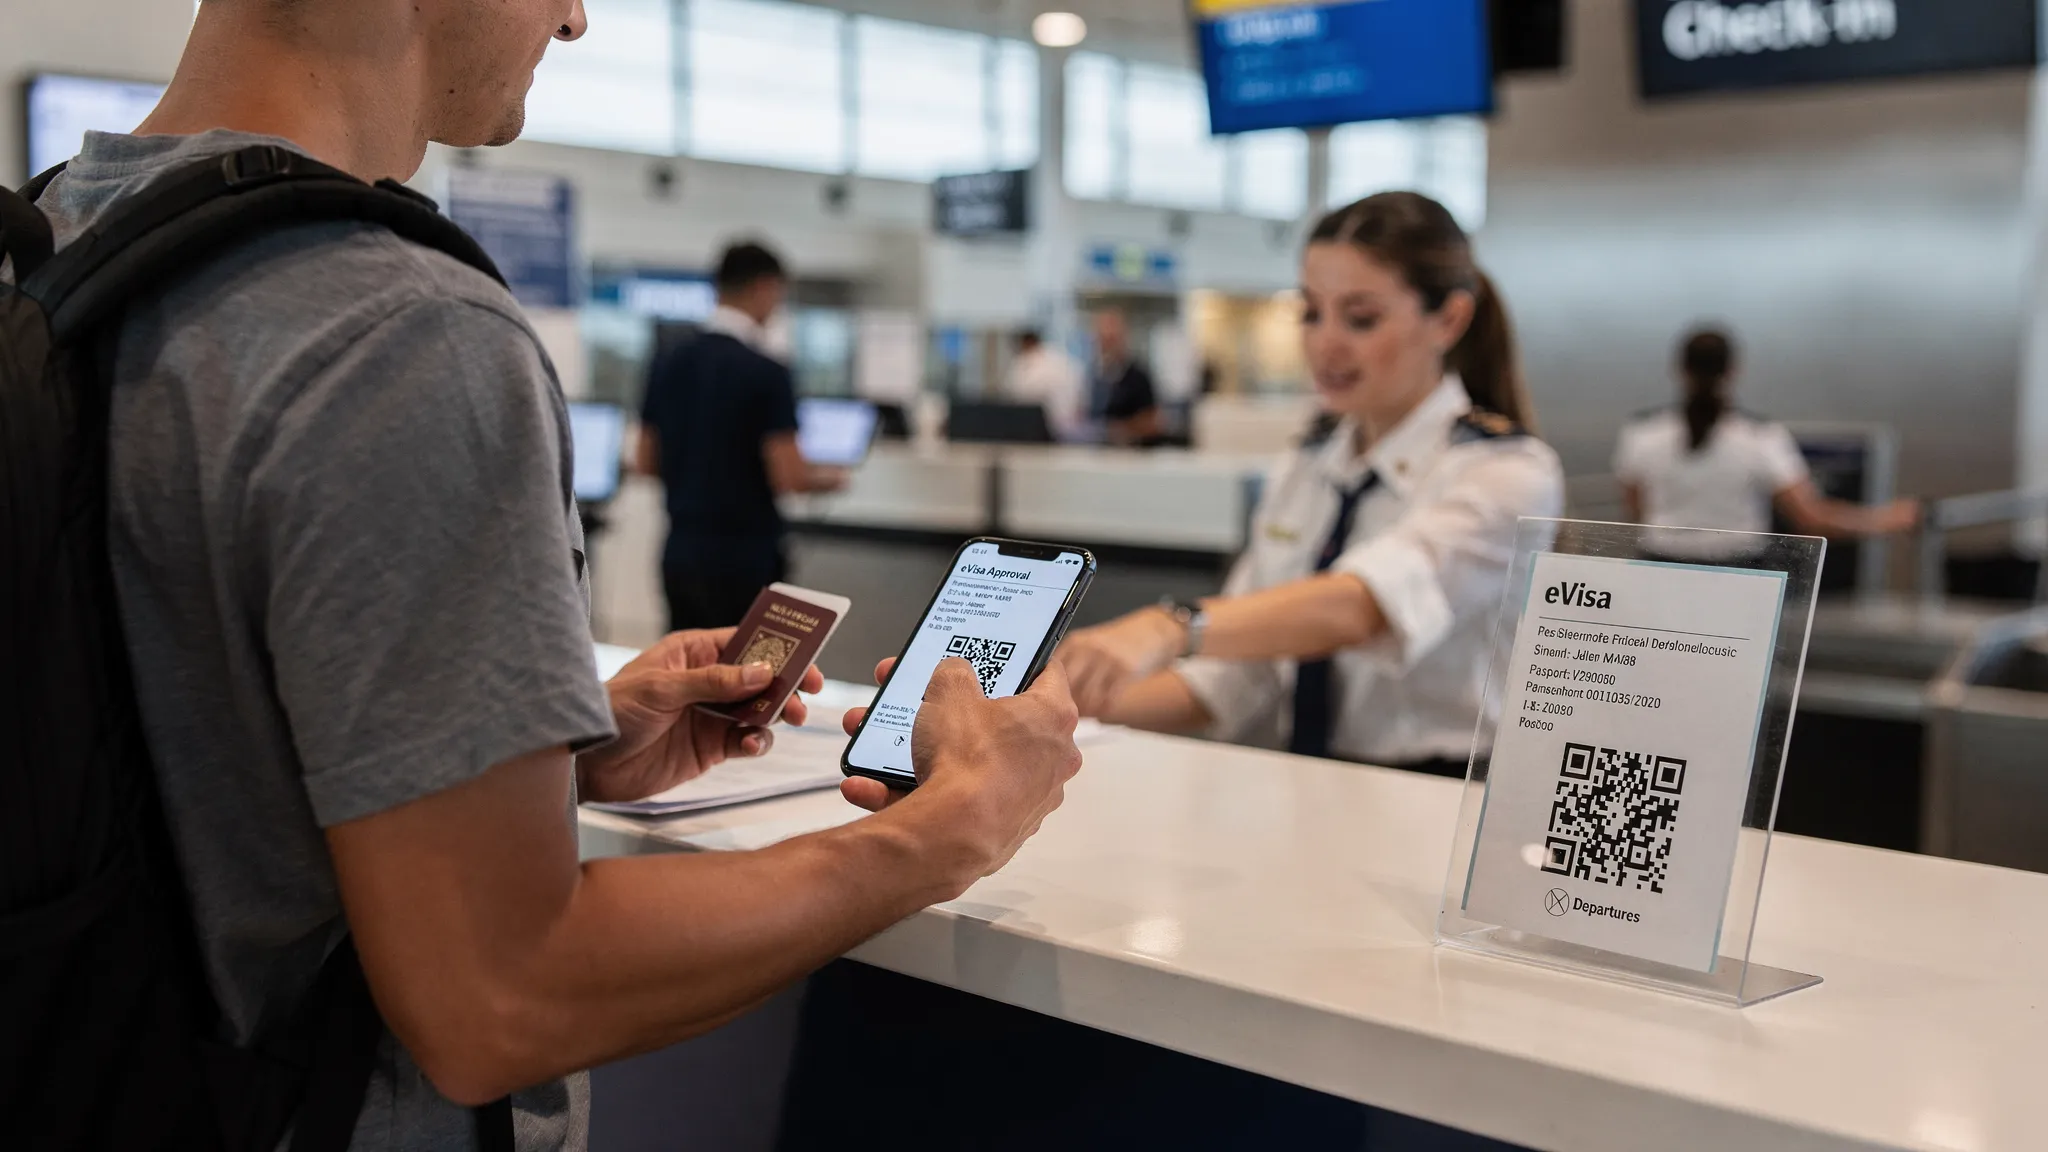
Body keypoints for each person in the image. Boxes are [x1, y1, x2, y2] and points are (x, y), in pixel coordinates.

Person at [15, 1, 1082, 1147]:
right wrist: (946, 830)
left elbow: (154, 741)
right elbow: (501, 994)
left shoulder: (49, 244)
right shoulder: (397, 329)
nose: (574, 19)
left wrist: (538, 765)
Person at [1058, 192, 1564, 775]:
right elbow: (1236, 670)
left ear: (1447, 320)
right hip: (1311, 783)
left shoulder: (1507, 472)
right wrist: (1058, 707)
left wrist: (1170, 626)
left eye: (1361, 318)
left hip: (1444, 795)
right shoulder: (1307, 466)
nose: (1326, 343)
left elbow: (1361, 607)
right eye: (1310, 312)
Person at [637, 240, 847, 630]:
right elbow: (788, 476)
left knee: (688, 676)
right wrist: (831, 478)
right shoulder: (766, 371)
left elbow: (646, 461)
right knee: (747, 681)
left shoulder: (668, 363)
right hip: (744, 559)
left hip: (680, 552)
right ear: (766, 287)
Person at [1615, 328, 1919, 561]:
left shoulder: (1641, 433)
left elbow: (1635, 509)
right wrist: (1887, 519)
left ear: (1680, 370)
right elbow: (1811, 518)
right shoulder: (1760, 437)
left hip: (1660, 569)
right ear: (1734, 371)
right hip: (1737, 576)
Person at [1092, 309, 1161, 446]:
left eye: (1111, 340)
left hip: (1132, 451)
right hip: (1100, 451)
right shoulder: (1096, 375)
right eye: (1103, 340)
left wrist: (1122, 429)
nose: (1106, 346)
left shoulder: (1138, 376)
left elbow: (1153, 421)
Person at [1004, 328, 1087, 441]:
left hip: (1046, 429)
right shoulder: (1060, 358)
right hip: (1067, 426)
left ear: (1026, 343)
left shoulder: (1031, 363)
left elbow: (1018, 396)